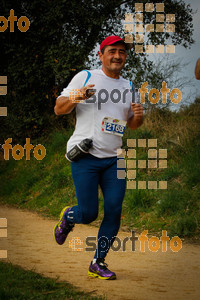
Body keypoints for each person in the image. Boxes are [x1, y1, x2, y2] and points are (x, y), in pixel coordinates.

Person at [53, 35, 143, 280]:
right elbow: (58, 108)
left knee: (114, 210)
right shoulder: (87, 76)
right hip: (86, 156)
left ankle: (98, 261)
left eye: (122, 52)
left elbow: (133, 125)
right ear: (101, 55)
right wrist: (77, 97)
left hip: (115, 158)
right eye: (112, 51)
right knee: (89, 213)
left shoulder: (129, 86)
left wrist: (138, 116)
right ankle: (68, 217)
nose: (117, 56)